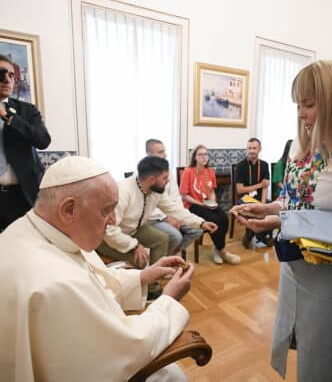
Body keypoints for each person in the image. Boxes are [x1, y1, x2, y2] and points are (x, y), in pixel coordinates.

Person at [231, 60, 332, 381]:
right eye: (299, 105)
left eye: (309, 104)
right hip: (295, 269)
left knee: (321, 368)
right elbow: (292, 201)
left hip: (331, 278)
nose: (301, 113)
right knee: (305, 358)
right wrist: (269, 210)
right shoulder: (302, 147)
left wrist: (279, 222)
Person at [0, 155, 194, 381]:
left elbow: (93, 279)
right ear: (69, 209)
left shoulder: (35, 230)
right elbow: (127, 348)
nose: (113, 220)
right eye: (106, 210)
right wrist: (169, 299)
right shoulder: (55, 284)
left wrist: (143, 276)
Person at [97, 156, 216, 273]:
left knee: (162, 239)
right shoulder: (123, 192)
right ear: (151, 179)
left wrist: (201, 223)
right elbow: (110, 230)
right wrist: (134, 246)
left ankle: (154, 279)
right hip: (105, 238)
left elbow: (175, 210)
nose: (168, 181)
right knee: (141, 261)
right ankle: (147, 285)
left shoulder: (156, 191)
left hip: (133, 229)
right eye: (164, 178)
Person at [0, 54, 50, 231]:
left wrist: (8, 116)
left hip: (22, 195)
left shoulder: (27, 111)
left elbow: (43, 140)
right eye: (1, 74)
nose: (7, 80)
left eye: (11, 75)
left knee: (24, 249)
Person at [180, 145, 240, 265]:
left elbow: (211, 191)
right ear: (195, 157)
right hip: (192, 205)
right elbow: (184, 196)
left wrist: (213, 202)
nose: (204, 157)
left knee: (224, 217)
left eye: (206, 154)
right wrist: (201, 204)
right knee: (215, 220)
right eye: (200, 154)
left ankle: (217, 249)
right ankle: (223, 252)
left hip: (206, 203)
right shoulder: (188, 172)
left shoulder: (210, 171)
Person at [146, 139, 204, 254]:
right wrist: (167, 218)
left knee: (197, 229)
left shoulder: (167, 171)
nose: (165, 155)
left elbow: (175, 197)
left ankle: (171, 254)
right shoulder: (144, 174)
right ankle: (162, 261)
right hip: (154, 218)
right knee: (176, 236)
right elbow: (148, 208)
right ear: (149, 154)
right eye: (161, 152)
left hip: (171, 212)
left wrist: (177, 217)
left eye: (165, 151)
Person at [235, 137, 272, 248]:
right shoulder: (241, 166)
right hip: (244, 199)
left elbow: (265, 187)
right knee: (255, 209)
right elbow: (240, 189)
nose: (251, 151)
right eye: (249, 148)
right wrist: (259, 185)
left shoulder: (264, 165)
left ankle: (250, 234)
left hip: (259, 198)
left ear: (259, 149)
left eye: (254, 148)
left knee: (271, 209)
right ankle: (261, 236)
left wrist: (263, 204)